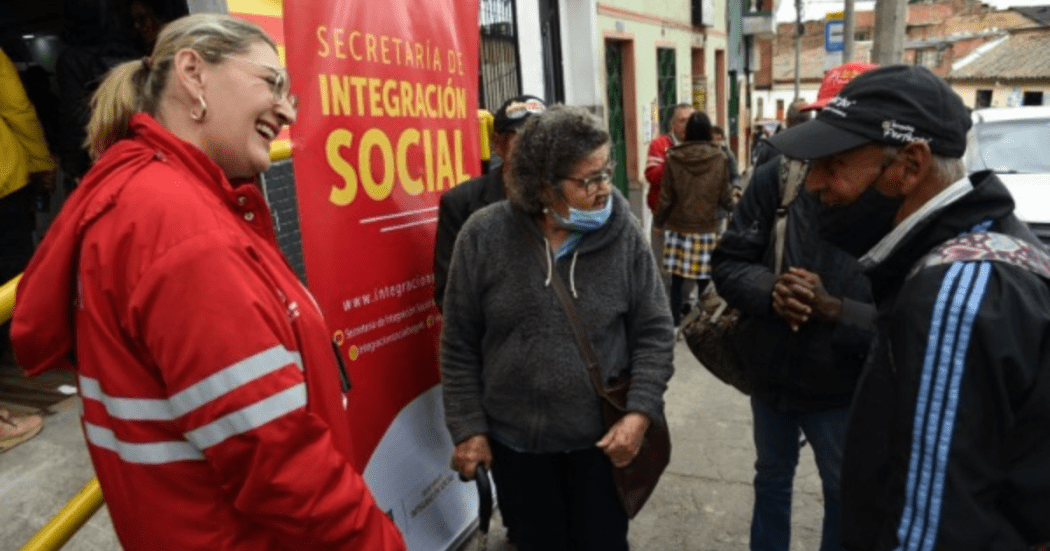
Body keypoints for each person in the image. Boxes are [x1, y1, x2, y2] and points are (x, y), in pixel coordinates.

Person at [10, 14, 405, 551]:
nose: (288, 111)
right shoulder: (182, 230)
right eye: (272, 83)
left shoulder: (142, 196)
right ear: (193, 73)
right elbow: (280, 464)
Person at [769, 64, 1050, 550]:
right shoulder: (980, 250)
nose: (813, 184)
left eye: (834, 164)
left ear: (910, 165)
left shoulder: (954, 296)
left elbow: (933, 528)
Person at [441, 105, 674, 551]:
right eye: (589, 180)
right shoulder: (483, 236)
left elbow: (656, 331)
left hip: (600, 446)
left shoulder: (623, 232)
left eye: (606, 172)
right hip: (517, 450)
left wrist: (639, 414)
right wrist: (469, 428)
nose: (605, 188)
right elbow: (459, 344)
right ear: (543, 184)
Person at [712, 61, 879, 551]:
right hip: (773, 375)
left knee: (843, 490)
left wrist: (836, 310)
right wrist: (772, 291)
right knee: (771, 478)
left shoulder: (898, 202)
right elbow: (730, 262)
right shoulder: (779, 177)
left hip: (845, 387)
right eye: (828, 118)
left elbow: (912, 322)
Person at [434, 94, 545, 310]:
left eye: (543, 140)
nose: (535, 150)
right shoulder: (461, 204)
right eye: (522, 140)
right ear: (498, 145)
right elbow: (450, 296)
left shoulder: (568, 196)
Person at [654, 111, 732, 326]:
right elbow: (724, 195)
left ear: (688, 132)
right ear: (708, 131)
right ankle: (704, 322)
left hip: (678, 227)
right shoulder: (719, 157)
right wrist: (738, 208)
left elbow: (666, 196)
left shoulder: (673, 157)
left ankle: (674, 322)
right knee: (705, 281)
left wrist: (658, 222)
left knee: (677, 280)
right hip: (707, 227)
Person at [646, 103, 694, 259]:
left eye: (691, 120)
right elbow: (652, 176)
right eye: (682, 120)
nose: (687, 125)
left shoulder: (702, 146)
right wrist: (669, 163)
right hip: (665, 220)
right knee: (663, 266)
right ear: (673, 124)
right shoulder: (660, 144)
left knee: (691, 266)